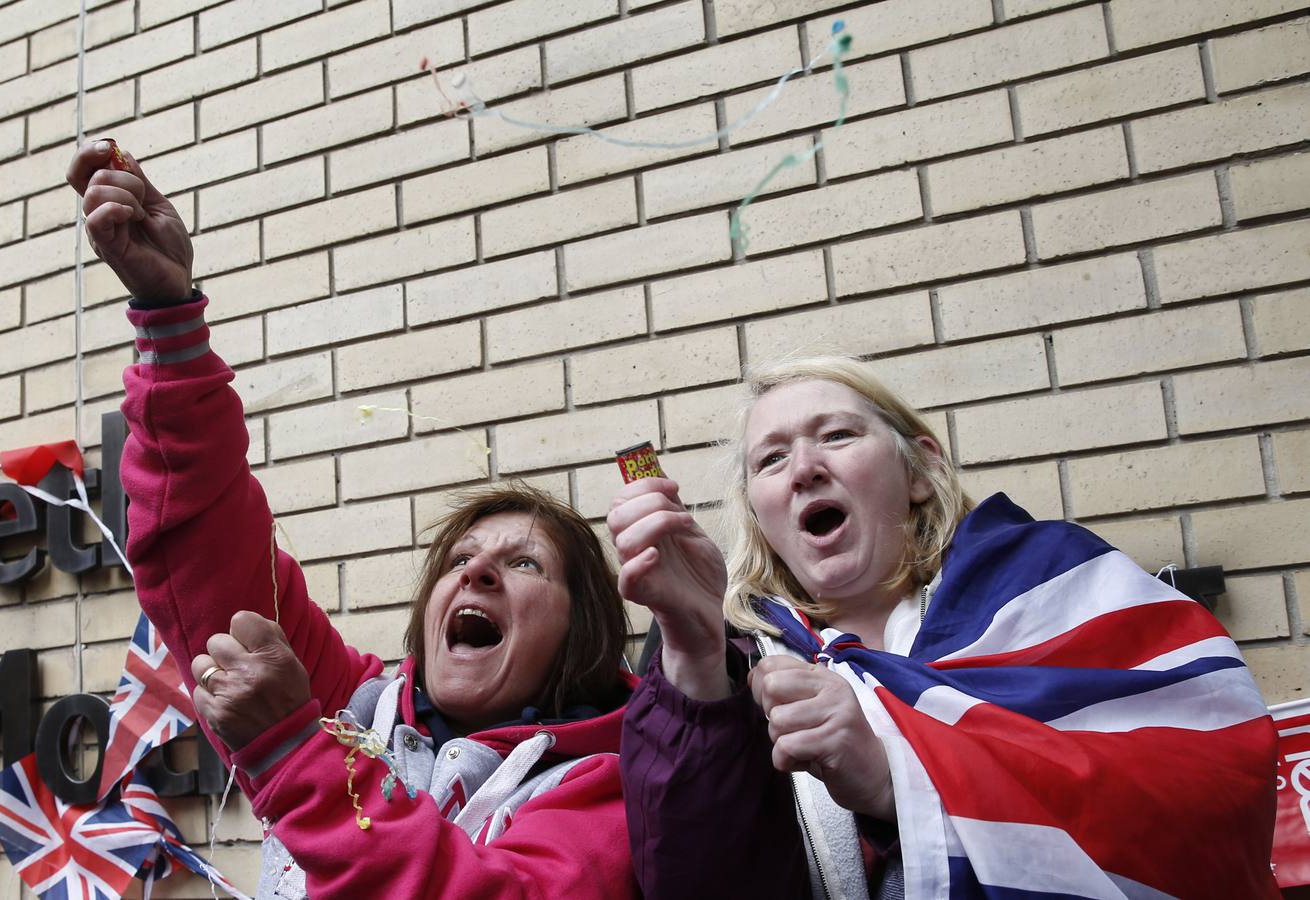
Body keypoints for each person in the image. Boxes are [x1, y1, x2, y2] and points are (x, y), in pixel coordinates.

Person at [66, 140, 638, 899]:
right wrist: (170, 319)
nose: (476, 569)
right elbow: (205, 544)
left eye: (525, 563)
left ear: (584, 629)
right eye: (460, 558)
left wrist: (291, 750)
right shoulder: (348, 708)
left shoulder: (615, 783)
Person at [610, 357, 1279, 899]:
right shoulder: (723, 667)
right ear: (760, 516)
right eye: (771, 460)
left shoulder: (1053, 579)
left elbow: (1203, 802)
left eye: (837, 435)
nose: (806, 468)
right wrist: (697, 661)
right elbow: (692, 879)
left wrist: (890, 776)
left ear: (920, 470)